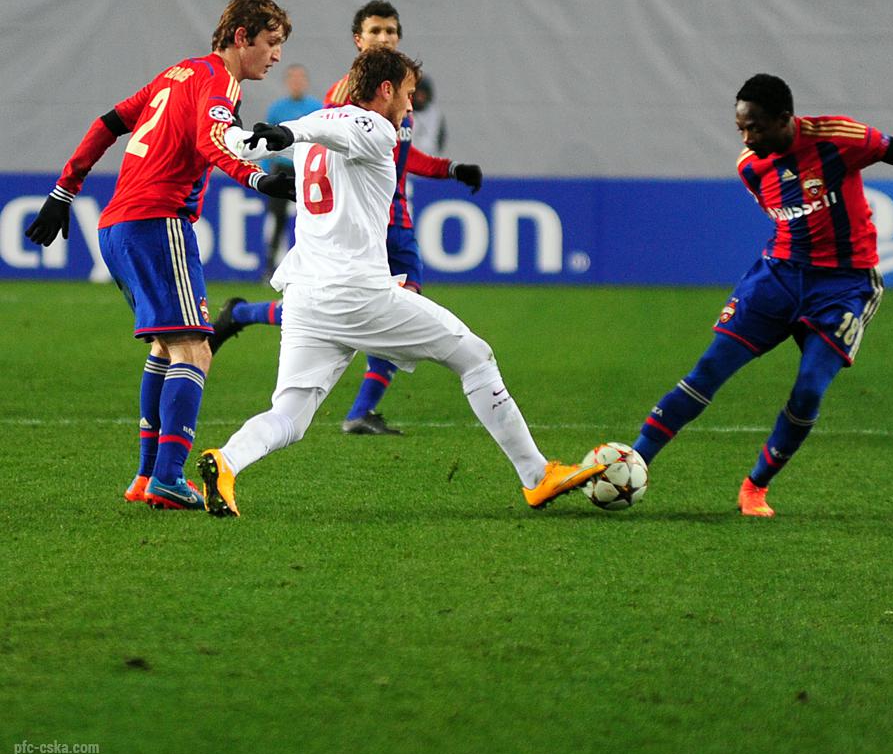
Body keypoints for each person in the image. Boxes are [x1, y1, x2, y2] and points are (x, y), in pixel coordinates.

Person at [196, 46, 603, 518]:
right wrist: (291, 131)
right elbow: (345, 129)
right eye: (408, 94)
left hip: (306, 297)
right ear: (385, 89)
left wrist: (253, 132)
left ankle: (227, 462)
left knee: (289, 415)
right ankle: (537, 476)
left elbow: (271, 140)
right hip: (358, 295)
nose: (411, 106)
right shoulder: (374, 128)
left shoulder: (317, 125)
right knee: (476, 357)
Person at [632, 73, 893, 517]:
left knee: (808, 391)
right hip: (778, 278)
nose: (746, 138)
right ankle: (633, 463)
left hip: (844, 286)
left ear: (784, 118)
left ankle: (755, 487)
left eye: (755, 127)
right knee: (708, 369)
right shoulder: (751, 167)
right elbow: (786, 218)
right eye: (740, 128)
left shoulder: (840, 138)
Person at [23, 0, 295, 511]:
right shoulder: (221, 82)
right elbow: (213, 141)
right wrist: (259, 179)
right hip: (157, 221)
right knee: (195, 348)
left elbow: (108, 122)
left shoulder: (177, 72)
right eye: (272, 42)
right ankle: (169, 476)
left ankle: (148, 476)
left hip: (117, 226)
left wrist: (64, 191)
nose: (277, 55)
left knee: (165, 348)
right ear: (242, 37)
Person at [212, 0, 481, 440]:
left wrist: (448, 169)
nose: (384, 38)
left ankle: (244, 316)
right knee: (361, 309)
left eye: (390, 31)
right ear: (358, 39)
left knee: (374, 308)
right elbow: (324, 145)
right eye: (375, 31)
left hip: (396, 217)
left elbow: (401, 154)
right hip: (360, 223)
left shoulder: (398, 94)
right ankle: (358, 408)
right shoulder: (348, 97)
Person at [261, 64, 323, 279]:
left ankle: (312, 266)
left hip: (307, 170)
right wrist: (266, 170)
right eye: (293, 78)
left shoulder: (316, 108)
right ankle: (270, 267)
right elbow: (266, 141)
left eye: (300, 78)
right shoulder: (277, 109)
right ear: (287, 82)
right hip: (282, 169)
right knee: (277, 219)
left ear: (306, 82)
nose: (297, 83)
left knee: (312, 219)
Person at [410, 74, 446, 155]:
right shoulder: (402, 113)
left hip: (428, 157)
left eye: (422, 95)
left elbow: (440, 139)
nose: (419, 98)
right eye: (417, 95)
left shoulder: (436, 116)